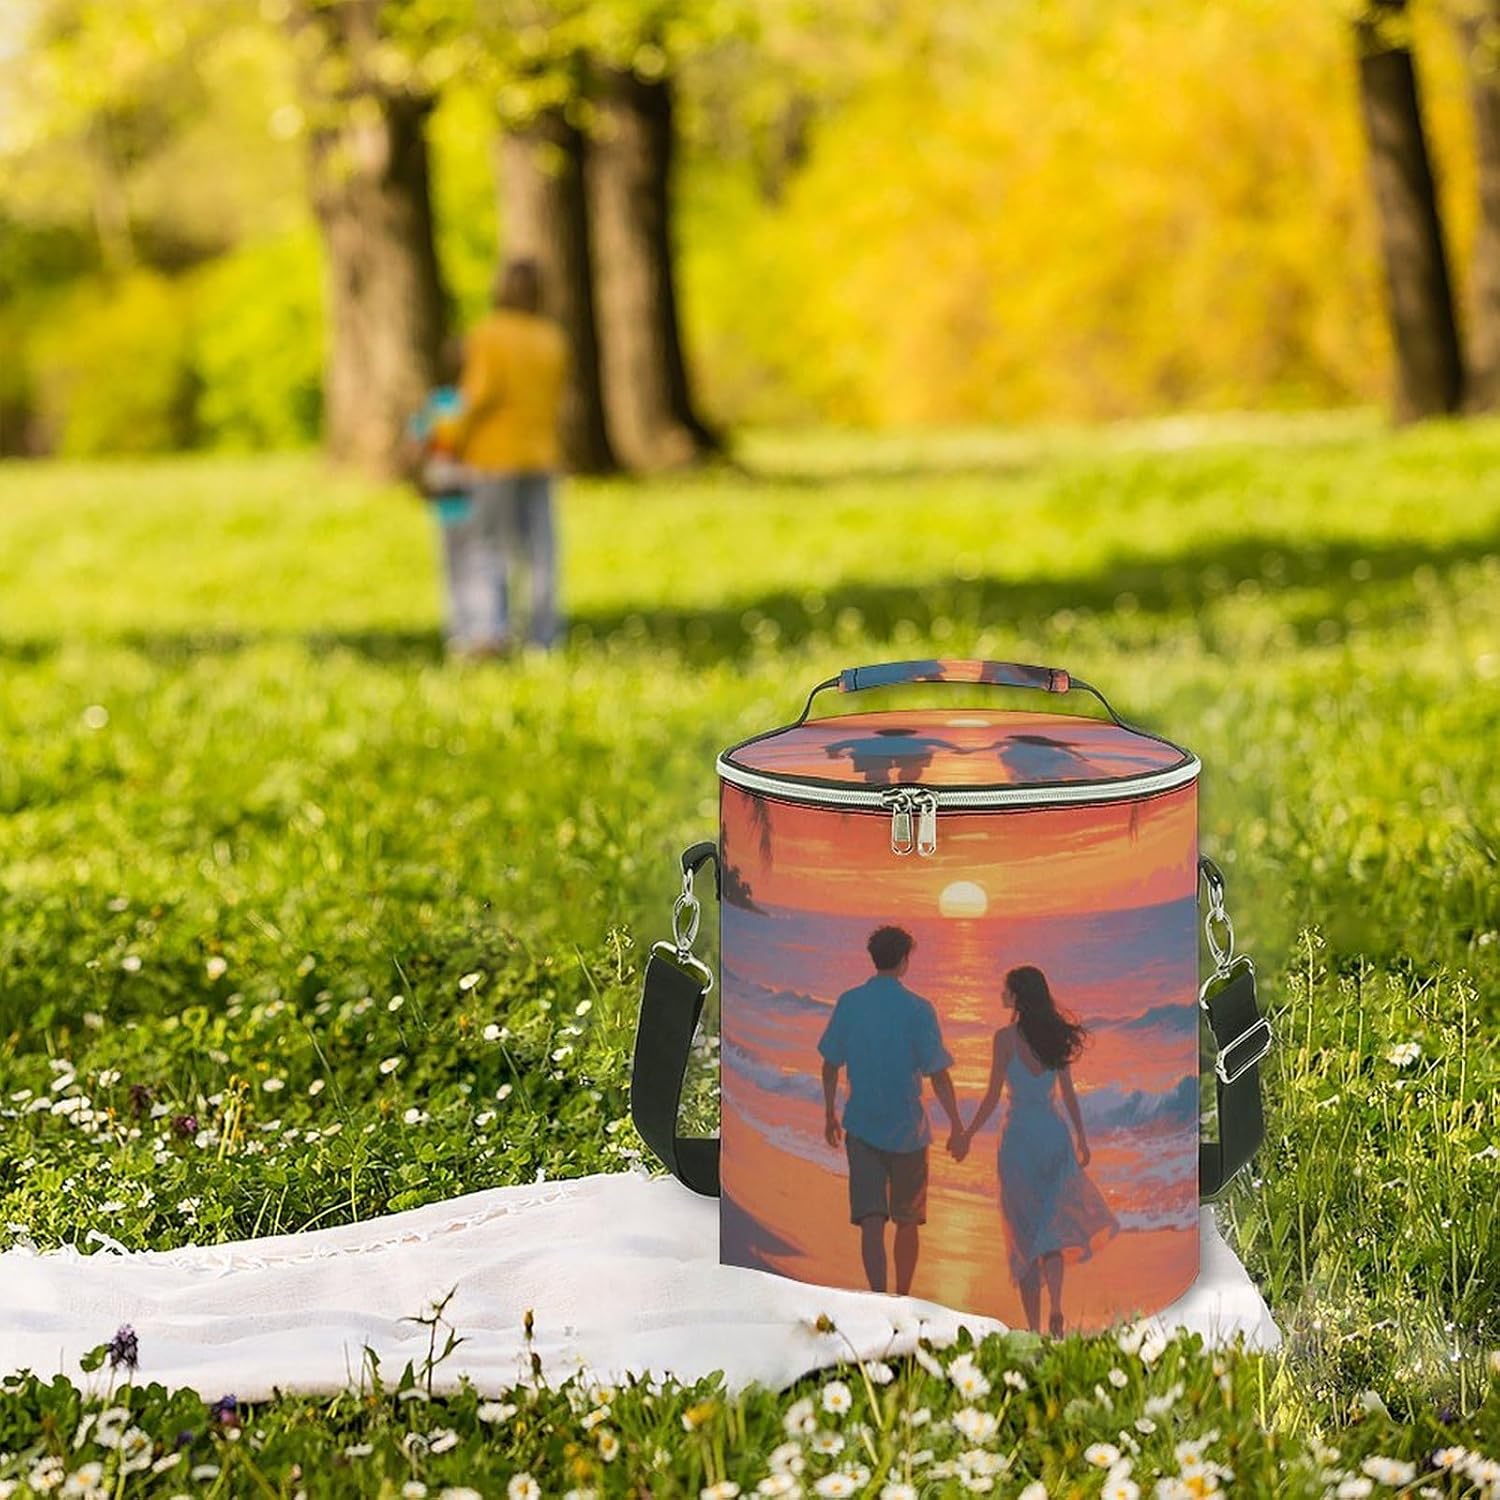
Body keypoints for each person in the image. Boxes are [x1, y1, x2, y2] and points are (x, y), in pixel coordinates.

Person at [954, 964, 1118, 1335]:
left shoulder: (1004, 1039)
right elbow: (1069, 1094)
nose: (1001, 995)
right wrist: (1081, 1137)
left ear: (1018, 996)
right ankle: (1056, 1308)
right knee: (1053, 1228)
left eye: (1005, 990)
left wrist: (966, 1132)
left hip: (1020, 1142)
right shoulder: (1053, 1037)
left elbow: (993, 1096)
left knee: (1024, 1236)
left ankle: (1032, 1329)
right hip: (1053, 1135)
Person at [818, 926, 964, 1295]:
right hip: (909, 1131)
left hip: (862, 1125)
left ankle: (878, 1298)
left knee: (871, 1218)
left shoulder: (850, 1002)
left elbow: (830, 1064)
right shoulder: (919, 1009)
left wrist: (829, 1114)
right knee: (907, 1220)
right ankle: (903, 1297)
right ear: (904, 961)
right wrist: (958, 1125)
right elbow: (938, 1074)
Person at [451, 258, 569, 653]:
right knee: (540, 553)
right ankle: (544, 638)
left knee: (489, 546)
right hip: (540, 453)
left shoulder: (489, 335)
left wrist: (451, 438)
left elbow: (479, 395)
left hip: (493, 456)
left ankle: (491, 631)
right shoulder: (551, 337)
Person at [406, 336, 492, 656]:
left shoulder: (435, 405)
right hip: (477, 491)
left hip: (444, 493)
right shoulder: (476, 406)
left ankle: (459, 633)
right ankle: (486, 631)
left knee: (453, 565)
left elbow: (415, 445)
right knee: (482, 560)